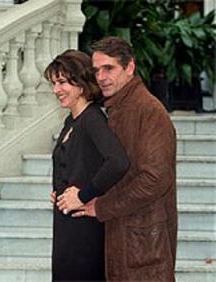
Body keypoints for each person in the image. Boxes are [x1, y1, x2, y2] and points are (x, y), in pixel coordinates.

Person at [76, 36, 178, 281]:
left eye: (108, 68)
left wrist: (102, 206)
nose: (100, 77)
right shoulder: (117, 107)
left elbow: (155, 179)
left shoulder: (148, 111)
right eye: (96, 70)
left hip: (144, 243)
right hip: (123, 235)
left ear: (129, 67)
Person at [44, 50, 130, 281]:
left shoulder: (92, 119)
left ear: (81, 84)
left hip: (84, 230)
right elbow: (77, 162)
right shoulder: (72, 119)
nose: (56, 90)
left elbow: (118, 162)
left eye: (62, 82)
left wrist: (84, 194)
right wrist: (61, 191)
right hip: (67, 224)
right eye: (54, 83)